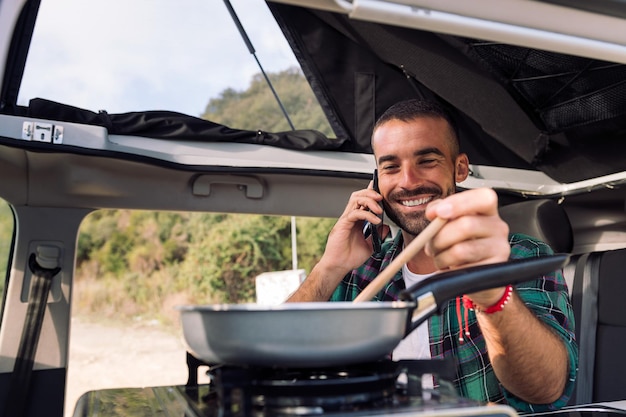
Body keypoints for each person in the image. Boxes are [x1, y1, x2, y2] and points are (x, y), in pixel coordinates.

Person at [287, 99, 577, 412]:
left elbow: (547, 388)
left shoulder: (522, 256)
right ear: (376, 181)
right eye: (391, 167)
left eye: (426, 161)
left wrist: (492, 295)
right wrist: (330, 267)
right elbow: (273, 365)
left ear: (460, 168)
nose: (408, 181)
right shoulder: (361, 276)